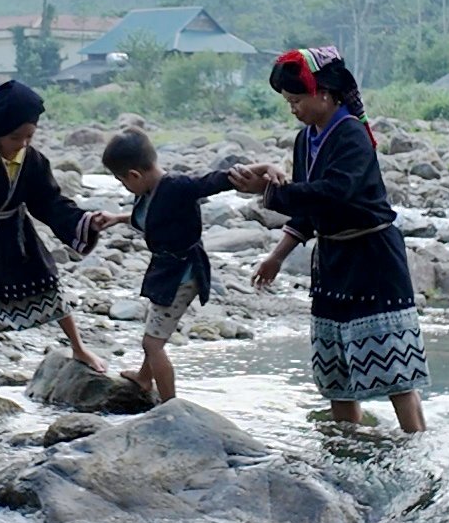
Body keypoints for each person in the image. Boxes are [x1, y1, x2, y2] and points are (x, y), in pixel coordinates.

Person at [231, 48, 429, 433]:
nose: (293, 108)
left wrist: (268, 194)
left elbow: (332, 193)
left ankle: (417, 447)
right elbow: (308, 208)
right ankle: (345, 443)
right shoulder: (306, 140)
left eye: (296, 100)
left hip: (373, 260)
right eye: (288, 102)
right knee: (336, 368)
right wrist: (276, 256)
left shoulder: (352, 135)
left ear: (324, 93)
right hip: (334, 261)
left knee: (394, 369)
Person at [0, 80, 111, 387]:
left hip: (17, 233)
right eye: (16, 137)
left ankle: (79, 348)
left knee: (50, 286)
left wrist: (85, 222)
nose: (24, 143)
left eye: (30, 135)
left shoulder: (35, 162)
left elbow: (50, 202)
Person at [100, 129, 234, 402]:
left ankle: (169, 404)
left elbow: (211, 182)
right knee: (155, 326)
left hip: (182, 274)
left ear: (134, 175)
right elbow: (149, 217)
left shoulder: (176, 186)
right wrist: (117, 218)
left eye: (121, 181)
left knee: (153, 342)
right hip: (168, 273)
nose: (124, 186)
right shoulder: (152, 191)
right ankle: (144, 376)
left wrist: (257, 170)